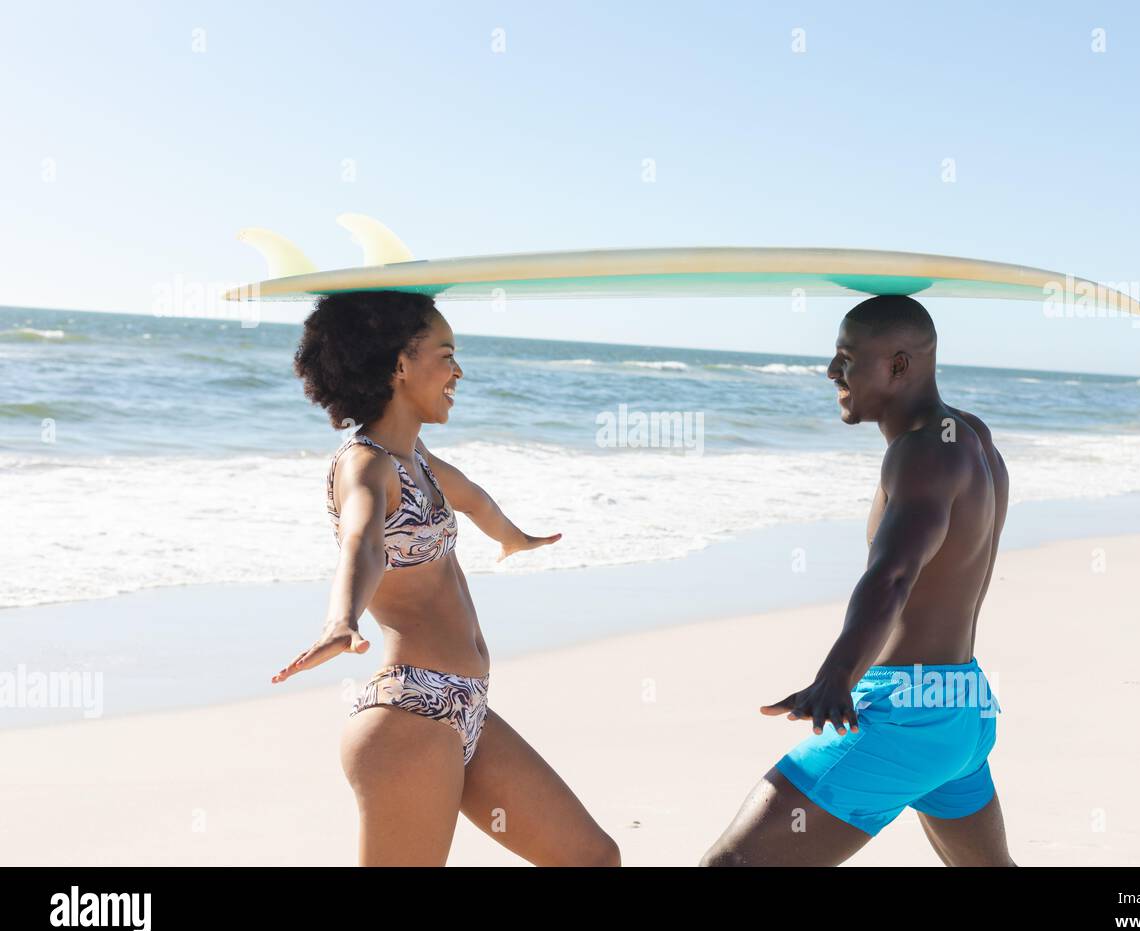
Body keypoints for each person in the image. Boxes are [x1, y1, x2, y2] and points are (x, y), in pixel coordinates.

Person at [271, 291, 619, 867]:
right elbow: (364, 544)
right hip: (410, 713)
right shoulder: (368, 464)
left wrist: (512, 536)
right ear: (401, 364)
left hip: (468, 705)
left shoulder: (417, 459)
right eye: (446, 354)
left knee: (591, 857)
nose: (457, 371)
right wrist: (341, 620)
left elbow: (474, 499)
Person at [701, 295, 1015, 866]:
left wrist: (836, 676)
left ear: (898, 365)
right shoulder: (971, 436)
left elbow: (894, 575)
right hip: (962, 706)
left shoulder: (922, 453)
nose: (830, 372)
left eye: (846, 358)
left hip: (906, 714)